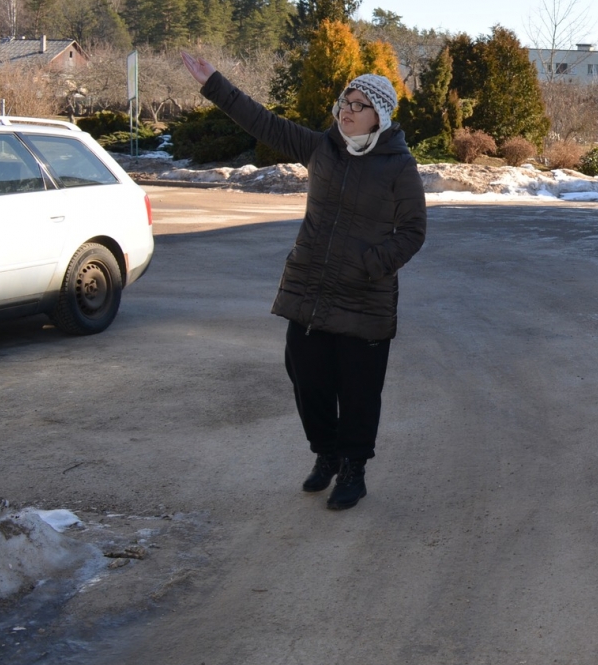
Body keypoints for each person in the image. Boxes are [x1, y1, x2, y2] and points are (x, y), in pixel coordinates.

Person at [180, 52, 426, 511]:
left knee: (358, 391)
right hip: (310, 291)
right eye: (345, 102)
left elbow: (412, 232)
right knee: (307, 380)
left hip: (364, 297)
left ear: (379, 115)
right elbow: (264, 123)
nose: (346, 110)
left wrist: (368, 265)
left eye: (358, 105)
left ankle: (353, 468)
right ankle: (327, 453)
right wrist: (214, 83)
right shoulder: (322, 148)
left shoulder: (398, 165)